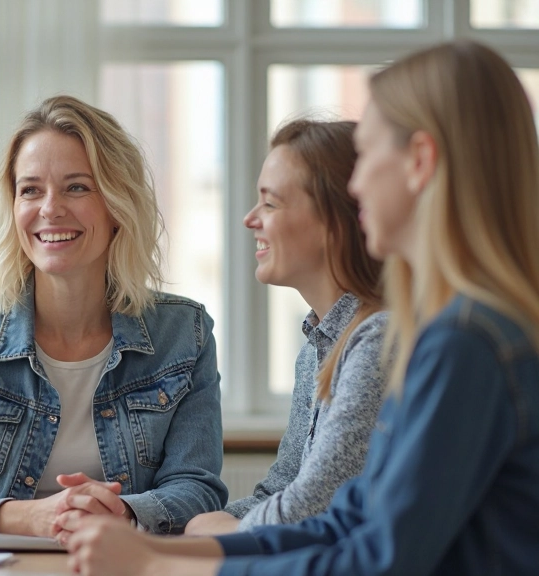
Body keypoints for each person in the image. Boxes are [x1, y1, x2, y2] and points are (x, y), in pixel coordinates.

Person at [66, 39, 539, 576]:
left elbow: (378, 562)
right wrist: (156, 549)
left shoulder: (466, 341)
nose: (355, 185)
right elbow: (345, 523)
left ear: (421, 161)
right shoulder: (459, 329)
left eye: (369, 154)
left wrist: (160, 567)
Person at [0, 95, 227, 539]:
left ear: (117, 205)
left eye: (77, 187)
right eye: (30, 190)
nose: (50, 208)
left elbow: (198, 488)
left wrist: (121, 513)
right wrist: (29, 517)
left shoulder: (185, 333)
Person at [185, 119, 387, 536]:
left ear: (334, 222)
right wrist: (178, 528)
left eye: (271, 204)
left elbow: (312, 508)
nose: (250, 219)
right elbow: (279, 491)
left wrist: (208, 532)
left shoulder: (379, 339)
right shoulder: (317, 346)